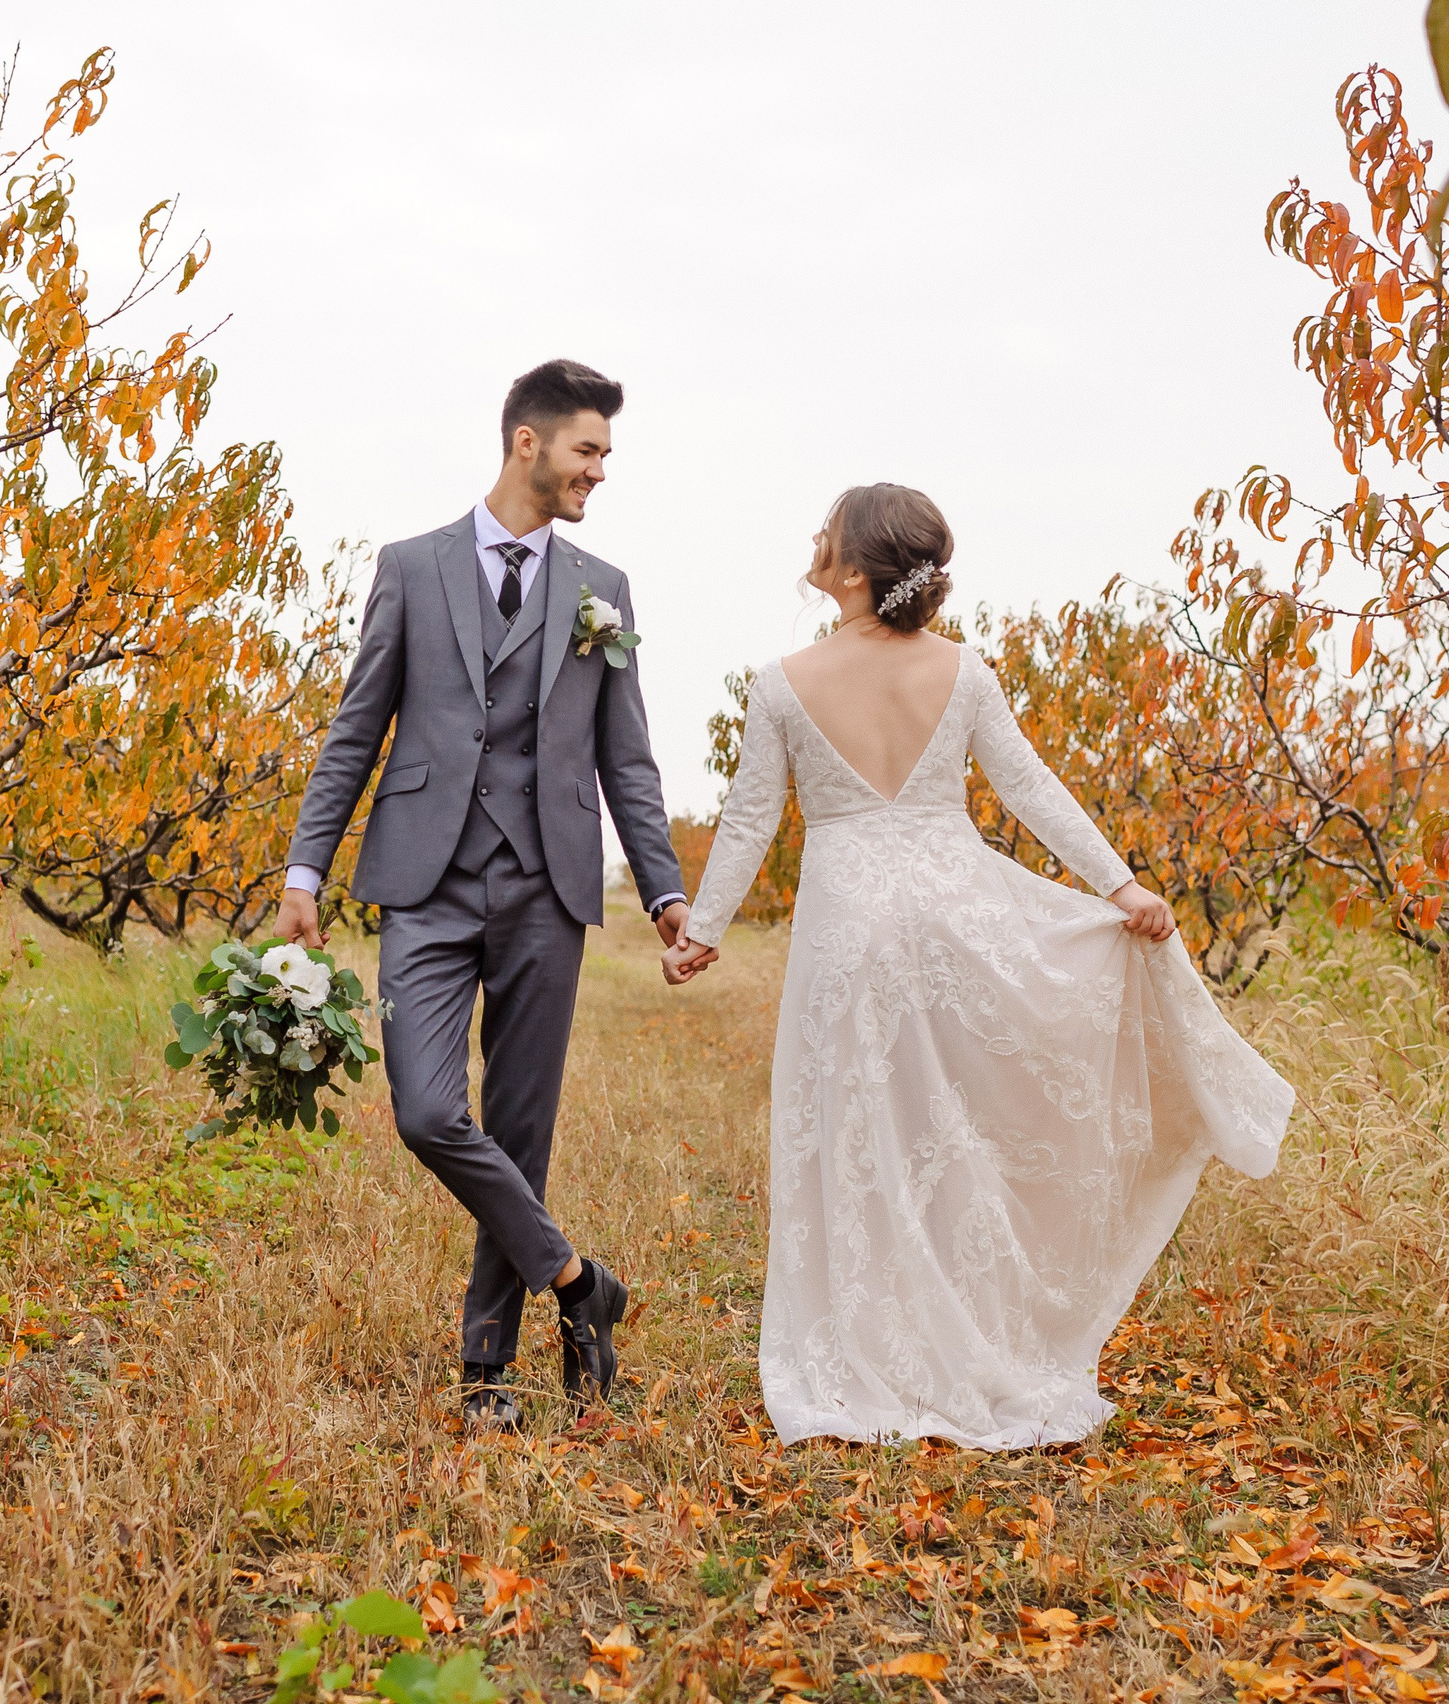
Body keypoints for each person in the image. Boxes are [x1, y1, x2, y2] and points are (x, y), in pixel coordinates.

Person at [663, 484, 1292, 1449]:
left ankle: (871, 1348)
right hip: (955, 918)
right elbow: (1030, 786)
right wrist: (1119, 887)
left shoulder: (783, 681)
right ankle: (962, 1335)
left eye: (828, 533)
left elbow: (750, 817)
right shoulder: (963, 674)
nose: (815, 541)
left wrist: (705, 927)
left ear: (859, 568)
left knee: (859, 1131)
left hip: (849, 931)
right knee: (952, 1130)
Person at [274, 359, 687, 1430]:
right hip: (426, 879)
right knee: (425, 1111)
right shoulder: (411, 567)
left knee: (519, 1125)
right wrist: (304, 867)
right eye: (587, 450)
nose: (599, 470)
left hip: (549, 886)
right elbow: (357, 726)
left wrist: (664, 894)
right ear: (528, 444)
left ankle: (486, 1370)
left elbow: (625, 761)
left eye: (604, 454)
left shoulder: (605, 590)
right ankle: (577, 1282)